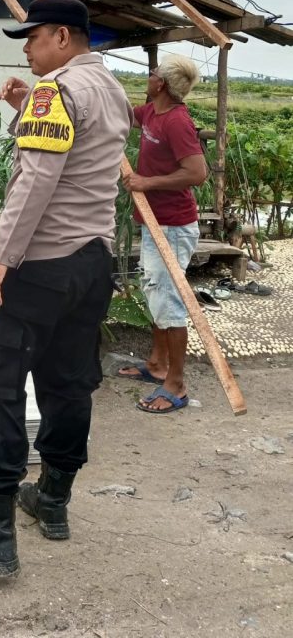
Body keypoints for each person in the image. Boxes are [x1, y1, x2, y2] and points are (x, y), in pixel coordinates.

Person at [0, 0, 133, 578]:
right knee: (68, 383)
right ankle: (53, 499)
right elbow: (78, 150)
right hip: (91, 265)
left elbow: (38, 177)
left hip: (38, 266)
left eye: (33, 37)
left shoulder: (55, 92)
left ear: (62, 36)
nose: (26, 47)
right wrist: (25, 105)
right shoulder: (110, 88)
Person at [118, 55, 207, 413]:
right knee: (154, 290)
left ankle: (176, 384)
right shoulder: (153, 111)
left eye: (153, 74)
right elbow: (125, 115)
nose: (148, 76)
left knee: (168, 300)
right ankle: (157, 365)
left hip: (172, 225)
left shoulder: (177, 122)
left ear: (162, 85)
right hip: (155, 220)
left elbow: (197, 172)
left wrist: (147, 182)